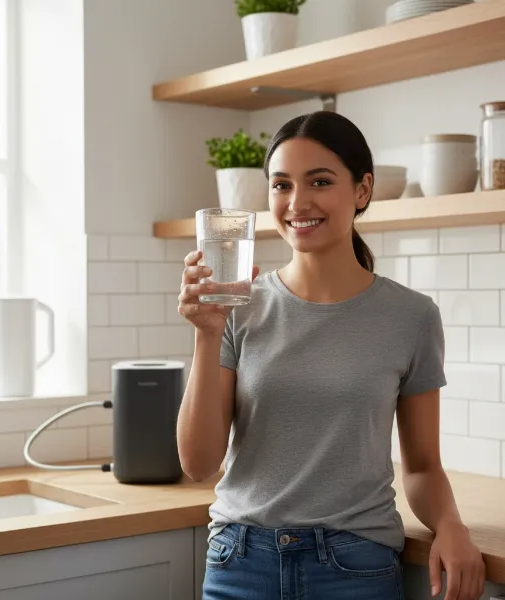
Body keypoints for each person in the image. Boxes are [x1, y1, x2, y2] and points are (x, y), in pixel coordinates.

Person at [176, 111, 486, 600]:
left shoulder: (411, 317)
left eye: (319, 181)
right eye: (281, 186)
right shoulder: (237, 307)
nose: (298, 202)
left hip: (354, 566)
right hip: (240, 563)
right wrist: (205, 334)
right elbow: (197, 464)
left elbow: (423, 466)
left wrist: (451, 525)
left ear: (362, 190)